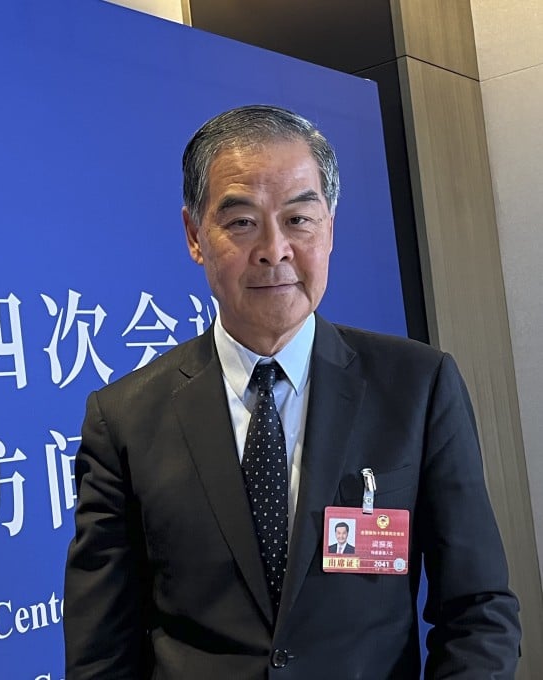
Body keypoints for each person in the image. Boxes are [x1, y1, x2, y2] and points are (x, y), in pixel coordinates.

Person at [63, 105, 520, 679]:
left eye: (299, 219)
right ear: (194, 236)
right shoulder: (124, 418)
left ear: (329, 227)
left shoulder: (418, 386)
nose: (274, 249)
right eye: (241, 222)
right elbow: (101, 648)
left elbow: (478, 609)